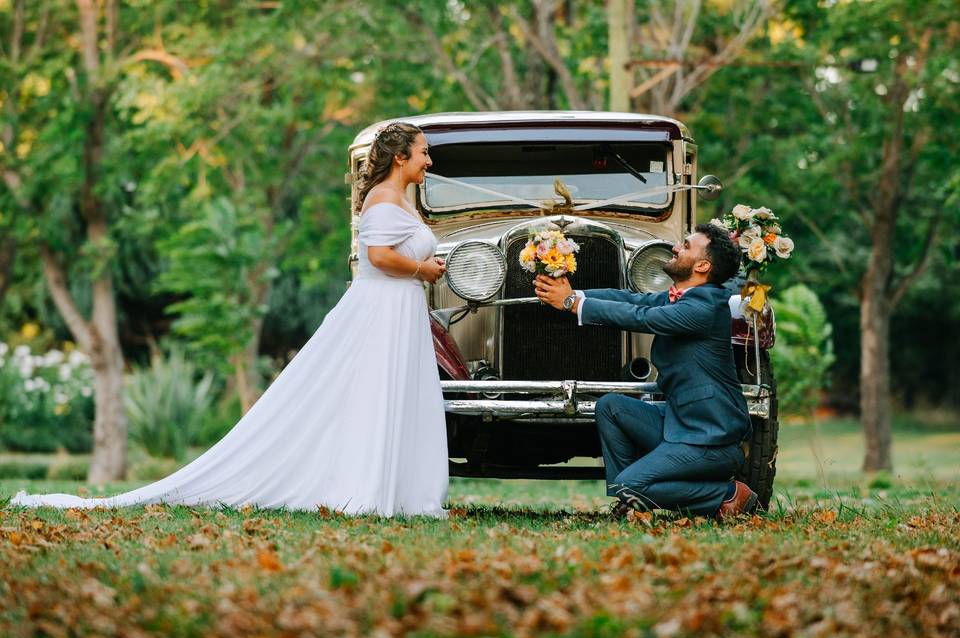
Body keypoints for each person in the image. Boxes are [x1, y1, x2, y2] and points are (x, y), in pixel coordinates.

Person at [10, 122, 450, 518]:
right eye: (423, 152)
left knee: (393, 395)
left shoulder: (403, 200)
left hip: (400, 311)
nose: (429, 160)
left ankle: (401, 491)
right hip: (381, 312)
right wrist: (422, 270)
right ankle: (365, 487)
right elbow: (377, 256)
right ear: (400, 157)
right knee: (371, 396)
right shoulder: (384, 198)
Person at [534, 223, 757, 519]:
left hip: (710, 438)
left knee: (628, 484)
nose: (676, 248)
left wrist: (572, 304)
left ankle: (727, 495)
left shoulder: (705, 307)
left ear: (702, 265)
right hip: (680, 425)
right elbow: (632, 300)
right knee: (611, 406)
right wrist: (574, 293)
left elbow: (642, 317)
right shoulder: (685, 297)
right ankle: (631, 500)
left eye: (686, 246)